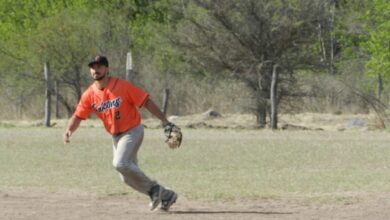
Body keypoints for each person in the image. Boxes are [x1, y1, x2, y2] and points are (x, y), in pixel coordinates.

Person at [63, 55, 177, 211]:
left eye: (99, 66)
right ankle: (166, 195)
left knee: (120, 163)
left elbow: (146, 101)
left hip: (133, 131)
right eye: (93, 67)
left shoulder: (122, 86)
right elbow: (78, 116)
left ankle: (155, 190)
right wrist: (69, 130)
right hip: (116, 136)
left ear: (107, 69)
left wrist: (164, 120)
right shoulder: (89, 94)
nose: (96, 69)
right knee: (126, 178)